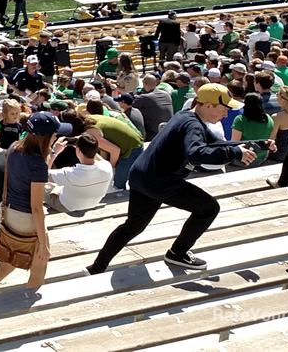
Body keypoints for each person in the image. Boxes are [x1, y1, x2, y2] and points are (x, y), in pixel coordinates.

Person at [87, 84, 261, 274]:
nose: (226, 116)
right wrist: (235, 152)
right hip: (160, 181)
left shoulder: (185, 115)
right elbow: (197, 153)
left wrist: (252, 145)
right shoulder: (194, 125)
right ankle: (177, 253)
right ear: (208, 105)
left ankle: (97, 267)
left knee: (132, 226)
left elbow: (215, 142)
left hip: (141, 175)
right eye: (223, 110)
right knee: (209, 208)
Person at [0, 112, 63, 297]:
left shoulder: (13, 148)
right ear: (46, 137)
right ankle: (28, 305)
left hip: (6, 213)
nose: (56, 136)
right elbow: (36, 206)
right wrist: (43, 244)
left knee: (5, 266)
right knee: (38, 268)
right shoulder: (37, 164)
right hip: (27, 220)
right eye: (54, 133)